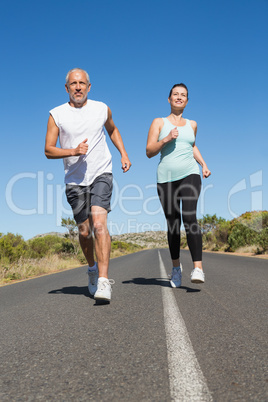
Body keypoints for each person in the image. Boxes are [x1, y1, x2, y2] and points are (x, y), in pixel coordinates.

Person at [45, 68, 131, 301]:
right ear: (67, 88)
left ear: (89, 86)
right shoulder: (57, 114)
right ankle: (92, 269)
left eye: (82, 83)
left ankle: (104, 281)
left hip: (101, 172)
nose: (78, 87)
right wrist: (73, 151)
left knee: (99, 223)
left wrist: (123, 153)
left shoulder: (102, 108)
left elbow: (112, 130)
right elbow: (48, 150)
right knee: (85, 231)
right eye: (73, 83)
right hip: (74, 180)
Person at [146, 83, 211, 288]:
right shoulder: (159, 122)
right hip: (166, 177)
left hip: (190, 174)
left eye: (183, 95)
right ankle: (176, 269)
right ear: (169, 99)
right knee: (173, 223)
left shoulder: (192, 124)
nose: (179, 97)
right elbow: (149, 151)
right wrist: (166, 138)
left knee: (189, 216)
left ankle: (198, 267)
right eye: (176, 94)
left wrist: (204, 164)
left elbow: (191, 146)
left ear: (187, 101)